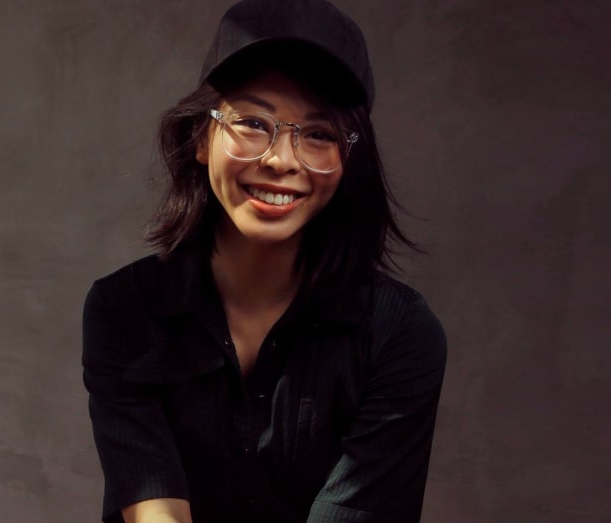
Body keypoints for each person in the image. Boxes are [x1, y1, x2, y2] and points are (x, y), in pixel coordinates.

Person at [82, 0, 447, 522]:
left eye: (318, 134)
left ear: (349, 160)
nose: (280, 159)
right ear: (202, 138)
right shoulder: (123, 309)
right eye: (253, 123)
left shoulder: (400, 334)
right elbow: (154, 511)